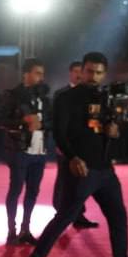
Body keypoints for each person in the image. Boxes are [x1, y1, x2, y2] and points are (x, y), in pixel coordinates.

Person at [26, 52, 128, 257]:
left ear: (104, 74)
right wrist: (72, 158)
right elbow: (60, 133)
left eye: (98, 72)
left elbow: (107, 129)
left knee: (118, 217)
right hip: (81, 169)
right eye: (90, 71)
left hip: (105, 170)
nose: (93, 76)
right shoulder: (66, 98)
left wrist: (114, 132)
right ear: (81, 71)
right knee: (65, 216)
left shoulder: (105, 98)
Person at [0, 58, 50, 245]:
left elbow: (51, 122)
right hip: (19, 150)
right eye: (37, 73)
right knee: (16, 189)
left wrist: (42, 124)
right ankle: (11, 230)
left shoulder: (44, 98)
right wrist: (23, 122)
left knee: (33, 191)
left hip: (39, 151)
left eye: (42, 74)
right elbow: (0, 121)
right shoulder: (13, 95)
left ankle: (26, 229)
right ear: (26, 74)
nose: (41, 77)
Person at [51, 60, 99, 229]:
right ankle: (60, 211)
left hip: (85, 146)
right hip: (66, 146)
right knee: (63, 179)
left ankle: (78, 214)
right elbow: (56, 123)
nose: (79, 75)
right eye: (76, 71)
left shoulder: (91, 95)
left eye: (81, 72)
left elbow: (93, 120)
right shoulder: (61, 94)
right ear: (70, 73)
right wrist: (60, 144)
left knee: (82, 180)